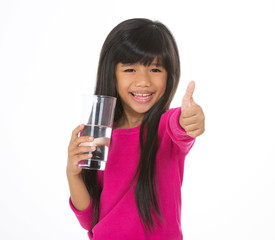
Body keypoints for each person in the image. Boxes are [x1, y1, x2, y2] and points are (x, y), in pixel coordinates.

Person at [66, 18, 205, 239]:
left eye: (155, 69)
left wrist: (189, 119)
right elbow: (89, 220)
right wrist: (73, 174)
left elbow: (180, 126)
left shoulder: (166, 127)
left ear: (170, 76)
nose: (143, 81)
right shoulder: (98, 135)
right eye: (130, 69)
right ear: (112, 73)